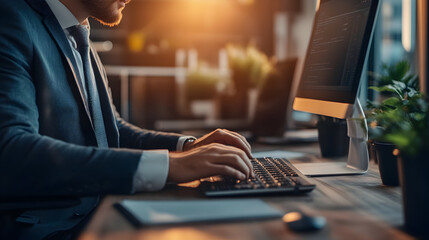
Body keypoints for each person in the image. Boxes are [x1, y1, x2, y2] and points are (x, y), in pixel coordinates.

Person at [0, 0, 254, 238]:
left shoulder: (75, 30)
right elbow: (11, 149)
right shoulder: (10, 18)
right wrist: (171, 165)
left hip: (98, 210)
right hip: (49, 230)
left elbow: (111, 131)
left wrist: (186, 148)